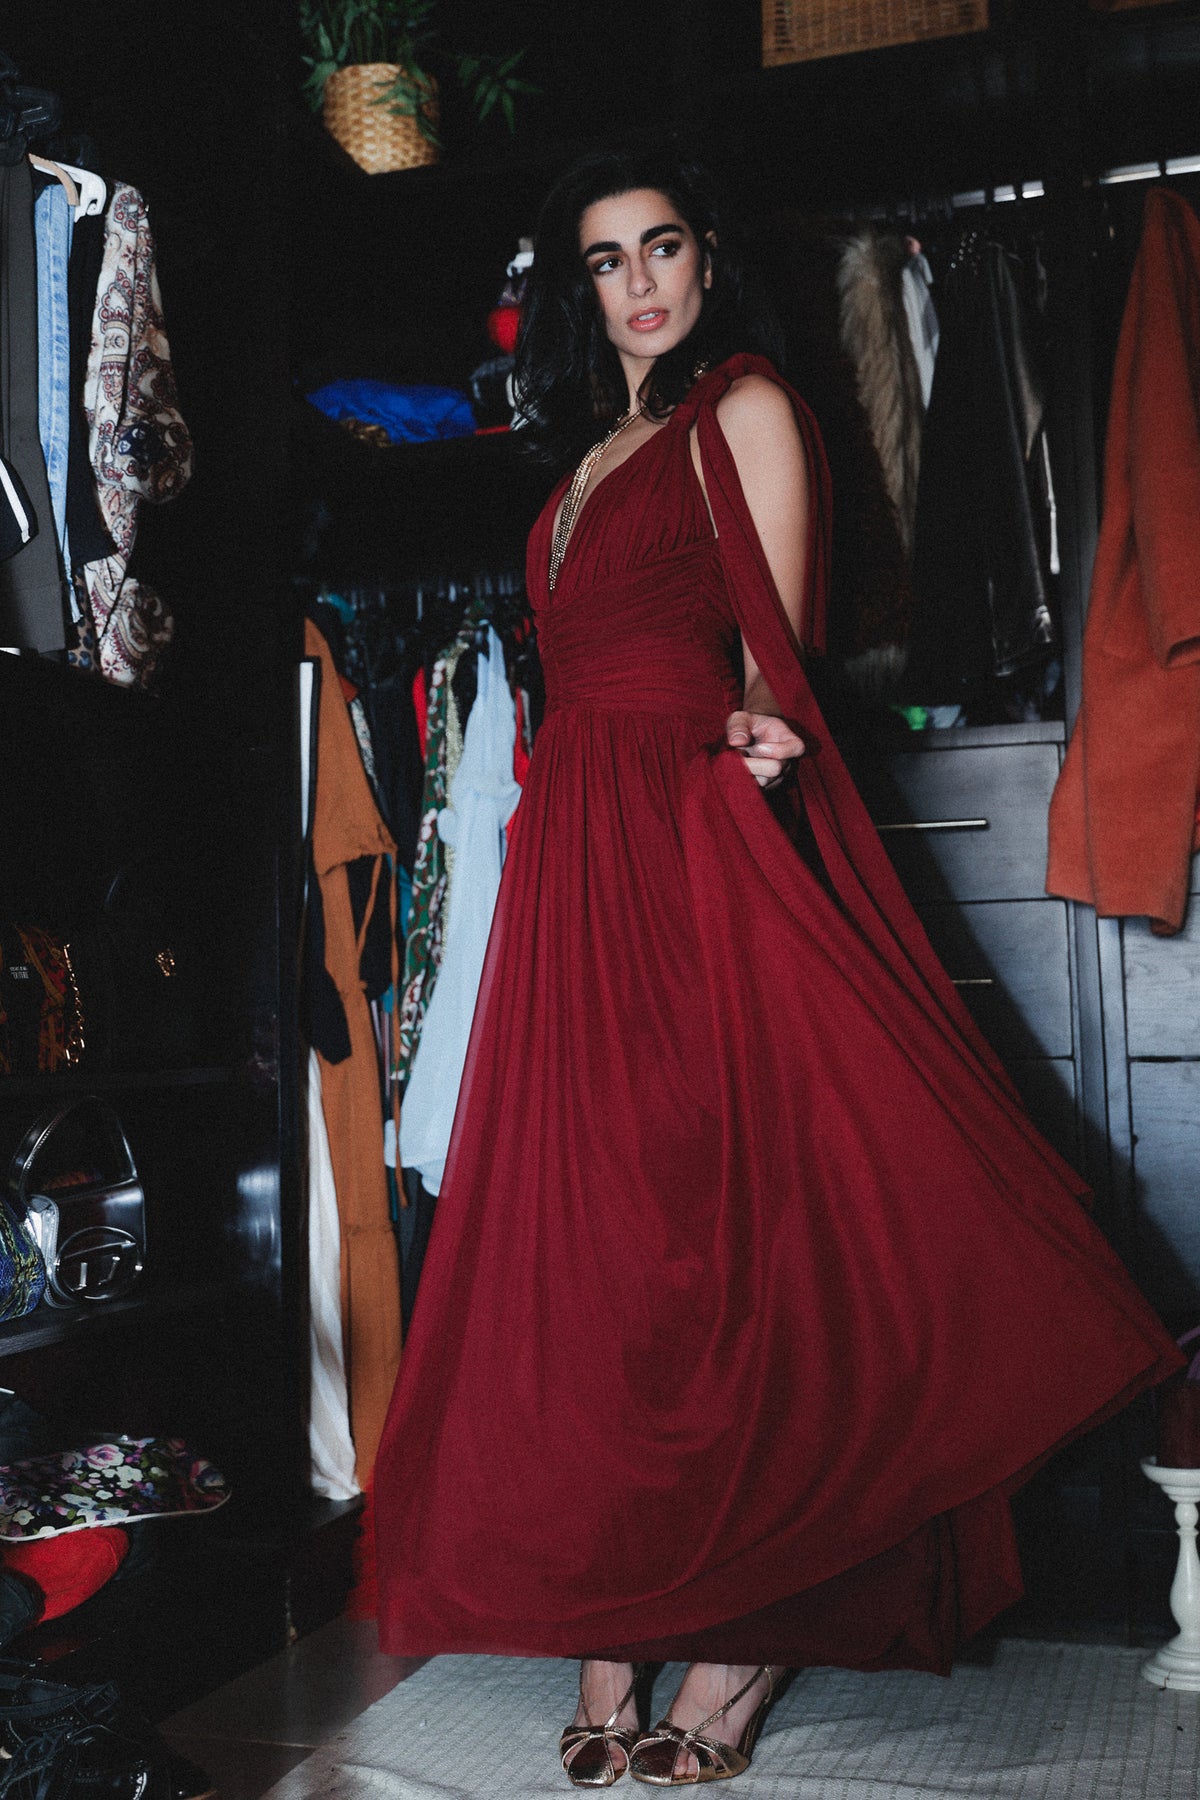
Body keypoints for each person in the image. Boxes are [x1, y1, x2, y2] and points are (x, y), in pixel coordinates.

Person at [373, 146, 1180, 1789]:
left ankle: (738, 1652)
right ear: (579, 290)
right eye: (606, 260)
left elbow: (774, 649)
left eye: (662, 246)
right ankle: (614, 1628)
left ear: (708, 256)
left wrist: (744, 759)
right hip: (572, 856)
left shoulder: (745, 406)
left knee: (721, 1236)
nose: (639, 282)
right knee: (599, 1244)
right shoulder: (588, 450)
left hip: (683, 837)